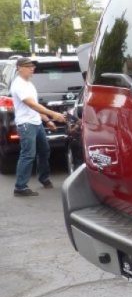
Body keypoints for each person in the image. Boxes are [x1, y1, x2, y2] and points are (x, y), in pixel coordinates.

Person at [10, 58, 67, 197]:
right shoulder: (18, 84)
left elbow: (35, 106)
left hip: (36, 122)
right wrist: (54, 114)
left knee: (44, 151)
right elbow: (31, 104)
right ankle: (20, 187)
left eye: (32, 66)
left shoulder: (29, 84)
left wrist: (47, 120)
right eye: (28, 66)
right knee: (28, 154)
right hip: (26, 124)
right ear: (19, 68)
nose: (32, 68)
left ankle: (44, 178)